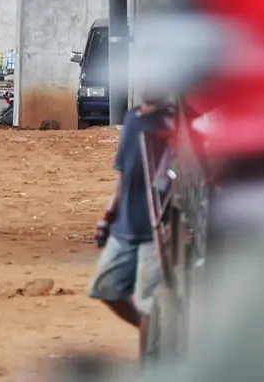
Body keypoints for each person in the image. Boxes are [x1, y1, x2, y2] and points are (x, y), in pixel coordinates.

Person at [88, 99, 170, 357]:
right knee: (106, 288)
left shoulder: (173, 122)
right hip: (126, 224)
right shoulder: (132, 119)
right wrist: (109, 215)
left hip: (156, 230)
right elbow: (123, 173)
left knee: (149, 306)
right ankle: (157, 333)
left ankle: (150, 363)